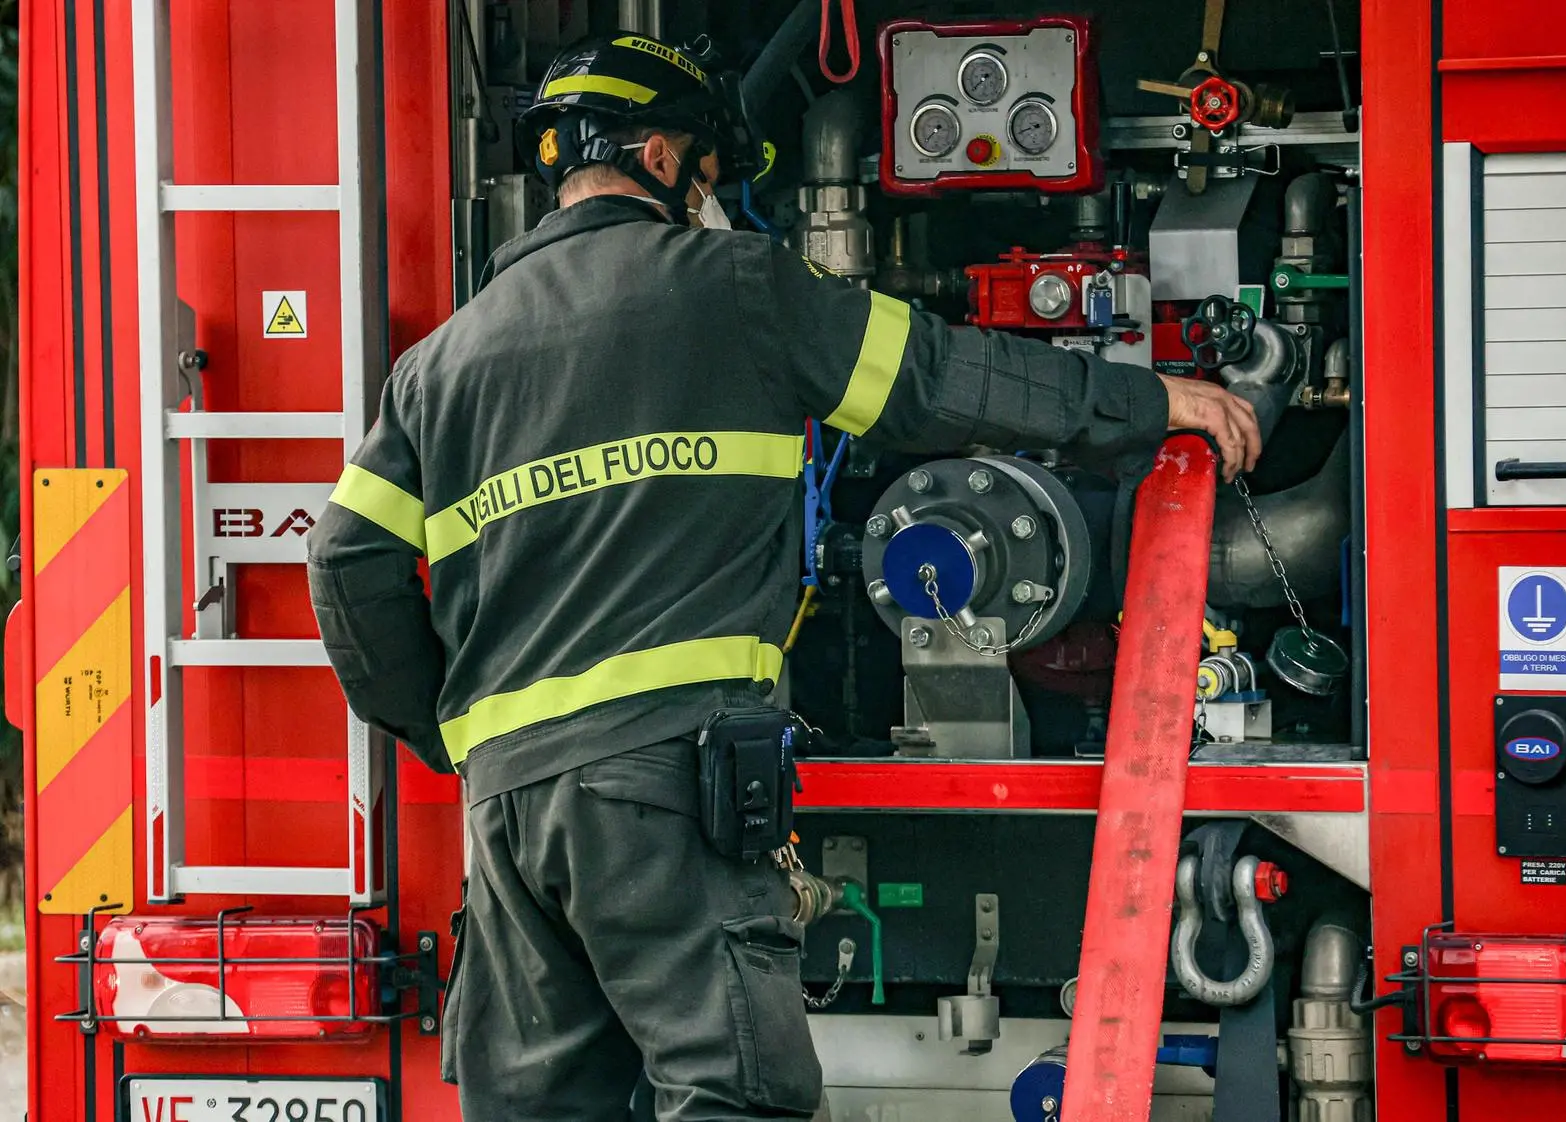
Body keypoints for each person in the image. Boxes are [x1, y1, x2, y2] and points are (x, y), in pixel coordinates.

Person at [305, 30, 1262, 1122]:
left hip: (510, 812)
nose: (715, 198)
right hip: (662, 779)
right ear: (664, 159)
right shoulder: (732, 286)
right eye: (711, 173)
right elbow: (938, 381)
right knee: (732, 1096)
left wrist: (450, 733)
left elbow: (344, 564)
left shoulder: (442, 362)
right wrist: (1149, 405)